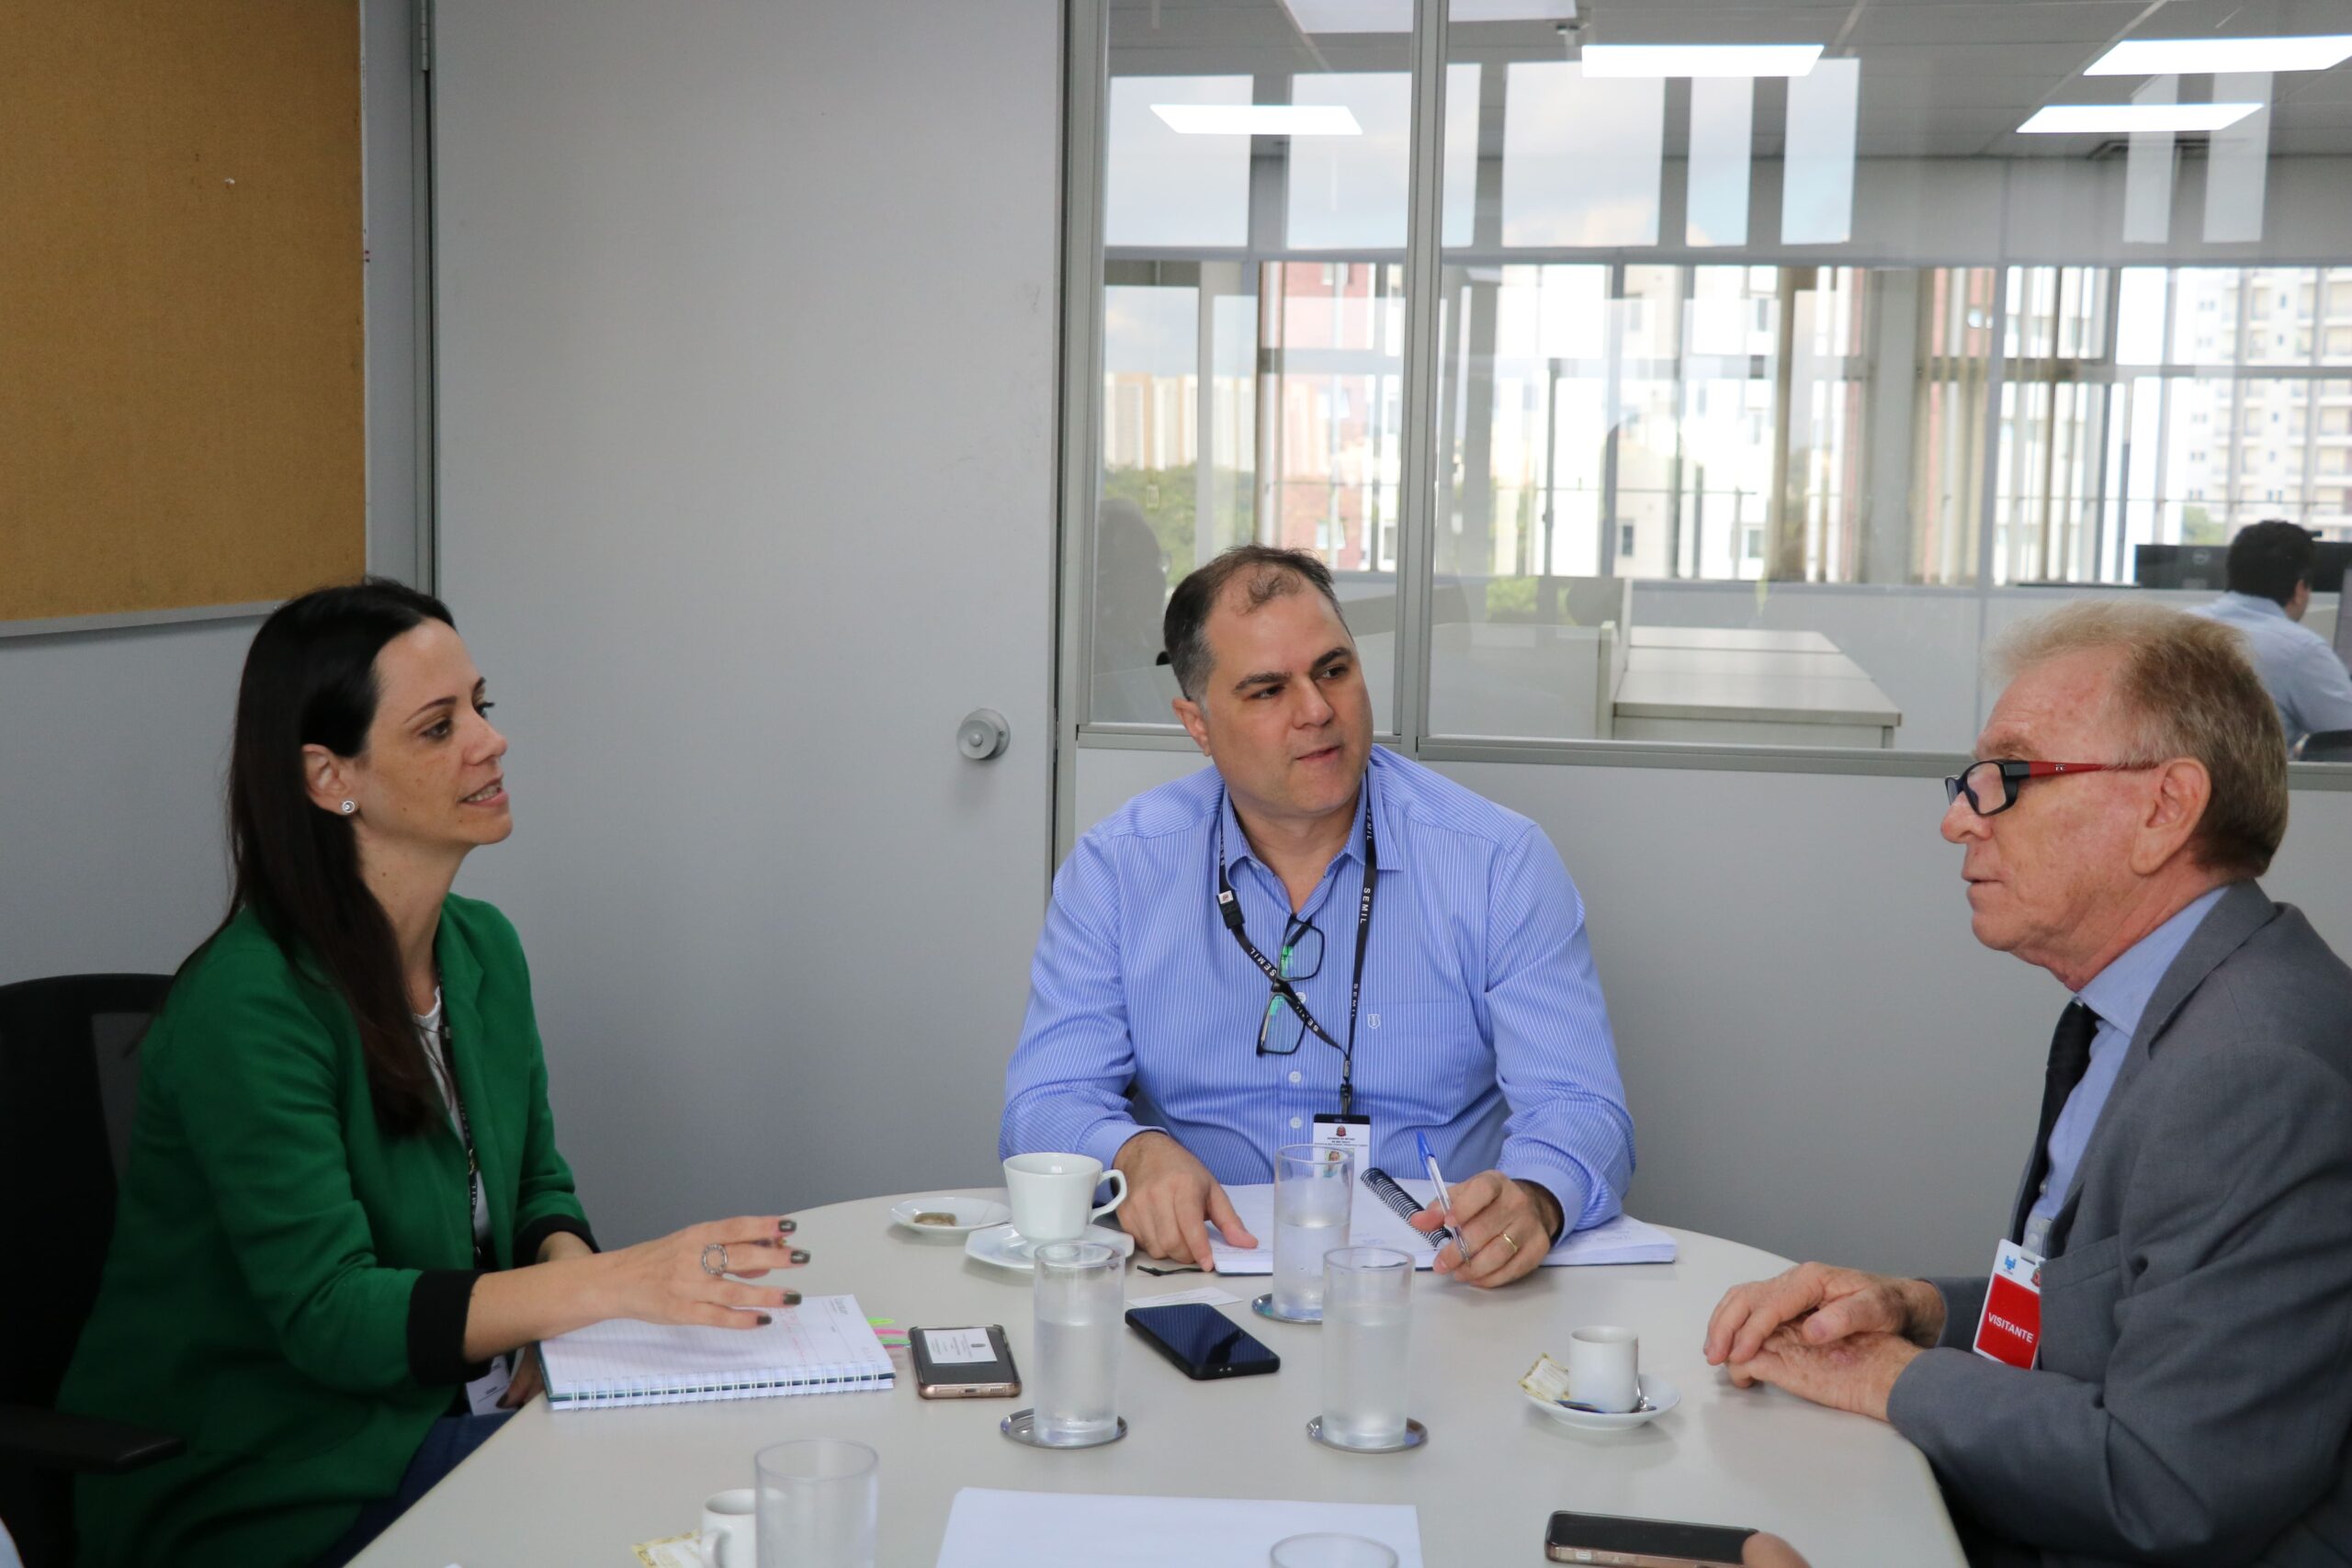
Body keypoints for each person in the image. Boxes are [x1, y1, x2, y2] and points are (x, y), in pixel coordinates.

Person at [59, 582, 807, 1568]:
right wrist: (613, 1289)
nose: (489, 743)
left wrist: (563, 1307)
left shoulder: (482, 949)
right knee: (674, 1514)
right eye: (437, 726)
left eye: (482, 708)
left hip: (435, 1420)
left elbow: (534, 1186)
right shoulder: (246, 1004)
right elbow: (334, 1317)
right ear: (331, 778)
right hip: (270, 1483)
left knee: (736, 1478)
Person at [1702, 601, 2352, 1565]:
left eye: (2004, 777)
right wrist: (1919, 1311)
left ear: (2164, 809)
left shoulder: (2253, 1069)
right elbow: (2133, 1307)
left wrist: (1888, 1378)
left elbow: (2168, 1485)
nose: (1955, 820)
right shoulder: (2153, 1004)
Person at [1001, 545, 1634, 1288]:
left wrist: (1534, 1196)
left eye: (1333, 670)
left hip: (1434, 1284)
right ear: (1197, 723)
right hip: (1196, 1275)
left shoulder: (1497, 862)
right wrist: (1132, 1151)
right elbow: (1044, 1102)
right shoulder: (1119, 869)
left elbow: (1582, 1107)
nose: (1317, 710)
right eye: (1267, 691)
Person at [2192, 518, 2352, 751]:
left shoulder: (2177, 628)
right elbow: (2345, 735)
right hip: (2250, 785)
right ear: (2300, 589)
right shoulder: (2301, 649)